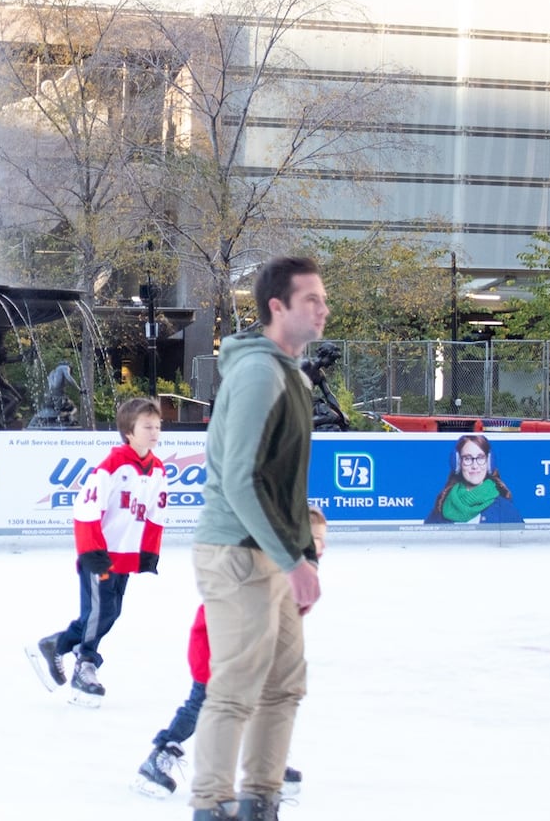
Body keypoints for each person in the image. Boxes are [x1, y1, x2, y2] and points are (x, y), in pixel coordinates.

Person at [190, 256, 327, 821]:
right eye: (311, 300)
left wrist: (303, 552)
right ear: (278, 306)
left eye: (323, 299)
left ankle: (259, 801)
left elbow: (279, 479)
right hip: (238, 555)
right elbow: (241, 478)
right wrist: (291, 559)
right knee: (235, 691)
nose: (323, 309)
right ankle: (212, 805)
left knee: (284, 686)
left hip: (273, 553)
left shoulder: (290, 372)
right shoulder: (257, 374)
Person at [136, 506, 327, 800]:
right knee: (202, 705)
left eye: (324, 540)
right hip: (216, 647)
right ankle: (161, 755)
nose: (320, 546)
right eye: (314, 538)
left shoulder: (292, 573)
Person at [26, 397, 167, 707]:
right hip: (100, 555)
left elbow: (155, 514)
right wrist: (92, 553)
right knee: (99, 612)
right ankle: (85, 664)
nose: (155, 432)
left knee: (111, 612)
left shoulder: (157, 469)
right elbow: (86, 510)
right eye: (147, 426)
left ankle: (56, 644)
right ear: (129, 431)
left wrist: (148, 553)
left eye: (157, 426)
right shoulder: (112, 466)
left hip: (125, 556)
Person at [424, 434, 523, 524]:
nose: (475, 465)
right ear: (458, 463)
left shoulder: (505, 511)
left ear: (489, 462)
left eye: (480, 458)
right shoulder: (442, 507)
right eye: (467, 458)